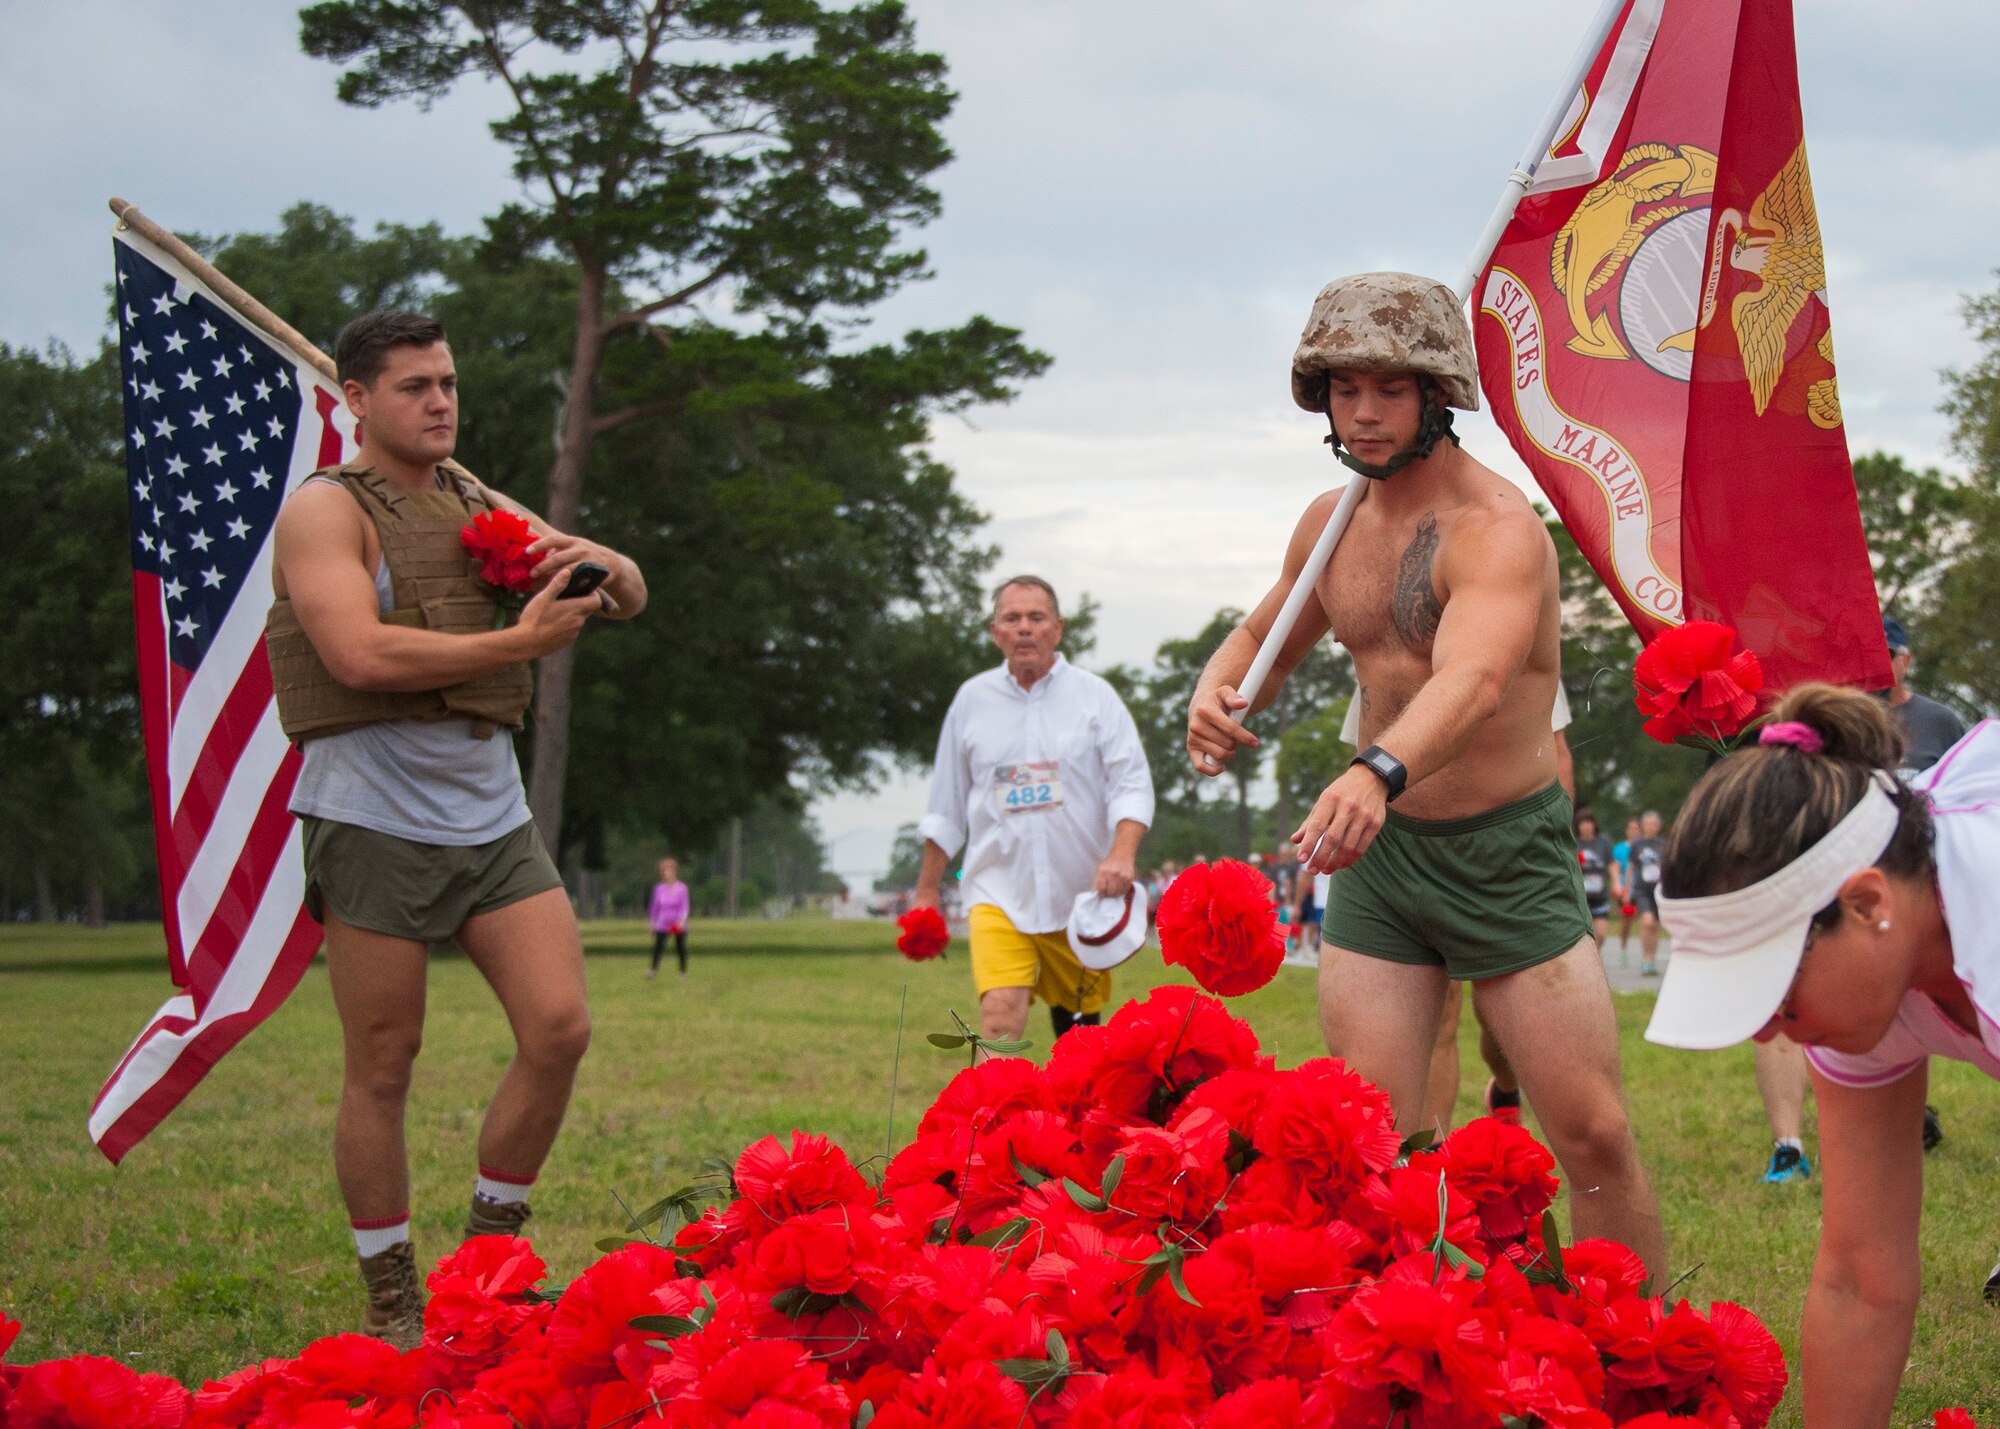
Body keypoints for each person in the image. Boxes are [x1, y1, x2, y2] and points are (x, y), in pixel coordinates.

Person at [1185, 271, 1664, 1280]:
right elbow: (1264, 630)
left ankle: (1644, 1355)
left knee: (1590, 1134)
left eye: (1388, 389)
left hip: (1505, 854)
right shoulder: (1329, 521)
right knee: (1363, 1137)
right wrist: (1216, 686)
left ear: (1436, 394)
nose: (1361, 411)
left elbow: (1477, 677)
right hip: (1382, 861)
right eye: (1342, 387)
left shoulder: (1496, 527)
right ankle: (1379, 1352)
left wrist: (1375, 768)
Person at [268, 309, 646, 1347]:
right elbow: (356, 656)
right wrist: (518, 641)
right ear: (354, 399)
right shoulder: (324, 512)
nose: (438, 402)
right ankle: (391, 1286)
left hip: (490, 813)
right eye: (412, 387)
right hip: (372, 816)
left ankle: (490, 1254)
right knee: (384, 1063)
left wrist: (601, 559)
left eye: (446, 383)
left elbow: (628, 595)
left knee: (559, 1027)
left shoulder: (480, 500)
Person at [1648, 684, 1993, 1424]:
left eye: (1774, 985)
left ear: (1867, 903)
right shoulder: (1876, 967)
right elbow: (1861, 1279)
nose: (1767, 1029)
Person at [913, 576, 1155, 1049]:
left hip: (1080, 898)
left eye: (1036, 617)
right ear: (995, 632)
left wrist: (1122, 855)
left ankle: (1077, 1122)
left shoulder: (1096, 698)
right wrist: (925, 891)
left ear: (1058, 629)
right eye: (1012, 618)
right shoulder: (971, 702)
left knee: (1081, 1037)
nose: (1025, 628)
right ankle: (996, 1121)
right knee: (999, 1015)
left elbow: (1131, 786)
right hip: (997, 890)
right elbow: (945, 809)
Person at [1629, 810, 1667, 976]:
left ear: (1658, 827)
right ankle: (1645, 957)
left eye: (1654, 824)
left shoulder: (1663, 845)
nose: (1650, 827)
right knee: (1647, 922)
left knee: (1655, 926)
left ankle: (1652, 958)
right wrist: (1626, 888)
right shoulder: (1637, 845)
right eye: (1648, 824)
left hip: (1658, 890)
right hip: (1642, 889)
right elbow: (1630, 867)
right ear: (1643, 826)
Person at [1575, 808, 1615, 951]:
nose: (1586, 826)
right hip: (1579, 897)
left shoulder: (1603, 842)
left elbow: (1612, 864)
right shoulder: (1573, 842)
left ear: (1594, 824)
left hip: (1599, 895)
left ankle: (1593, 957)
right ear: (1578, 826)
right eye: (1582, 823)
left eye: (1589, 823)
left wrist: (1617, 883)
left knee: (1602, 933)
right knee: (1582, 936)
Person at [648, 857, 691, 978]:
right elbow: (654, 907)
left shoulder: (681, 888)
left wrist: (682, 921)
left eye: (670, 871)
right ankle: (653, 970)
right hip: (663, 923)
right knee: (658, 946)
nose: (668, 874)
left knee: (679, 947)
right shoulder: (659, 889)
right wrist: (651, 922)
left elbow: (684, 906)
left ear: (674, 872)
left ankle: (682, 971)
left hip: (676, 923)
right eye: (665, 871)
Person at [1612, 816, 1641, 958]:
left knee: (1646, 918)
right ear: (1627, 831)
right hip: (1625, 888)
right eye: (1631, 828)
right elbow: (1616, 869)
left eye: (1636, 828)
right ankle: (1623, 949)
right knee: (1626, 919)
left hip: (1642, 888)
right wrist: (1618, 886)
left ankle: (1646, 951)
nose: (1633, 831)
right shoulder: (1619, 849)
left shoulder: (1643, 847)